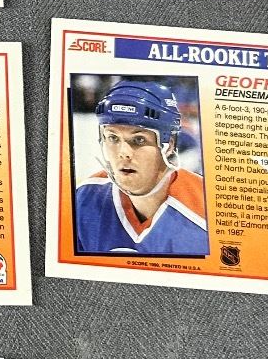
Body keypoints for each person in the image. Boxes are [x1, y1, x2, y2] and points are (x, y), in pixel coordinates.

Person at [74, 80, 209, 257]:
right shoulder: (83, 199)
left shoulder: (208, 213)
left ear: (169, 145)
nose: (123, 153)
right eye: (113, 138)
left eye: (139, 139)